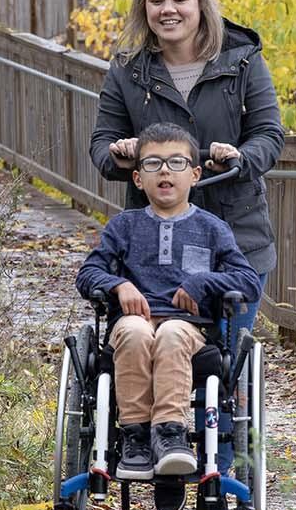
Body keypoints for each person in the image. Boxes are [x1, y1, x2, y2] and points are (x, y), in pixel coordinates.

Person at [88, 0, 282, 479]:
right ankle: (147, 445)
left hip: (235, 235)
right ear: (142, 7)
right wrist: (117, 155)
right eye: (156, 0)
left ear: (201, 1)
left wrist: (241, 160)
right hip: (152, 243)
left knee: (222, 363)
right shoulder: (129, 70)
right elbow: (101, 144)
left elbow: (270, 135)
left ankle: (224, 479)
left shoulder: (241, 60)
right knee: (143, 339)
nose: (167, 9)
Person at [75, 123, 261, 486]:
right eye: (153, 163)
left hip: (188, 329)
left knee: (173, 333)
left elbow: (248, 282)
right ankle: (136, 437)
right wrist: (119, 285)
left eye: (176, 163)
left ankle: (170, 433)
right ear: (137, 179)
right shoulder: (123, 227)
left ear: (194, 175)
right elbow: (88, 274)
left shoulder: (213, 229)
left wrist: (204, 280)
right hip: (134, 324)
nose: (164, 171)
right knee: (131, 330)